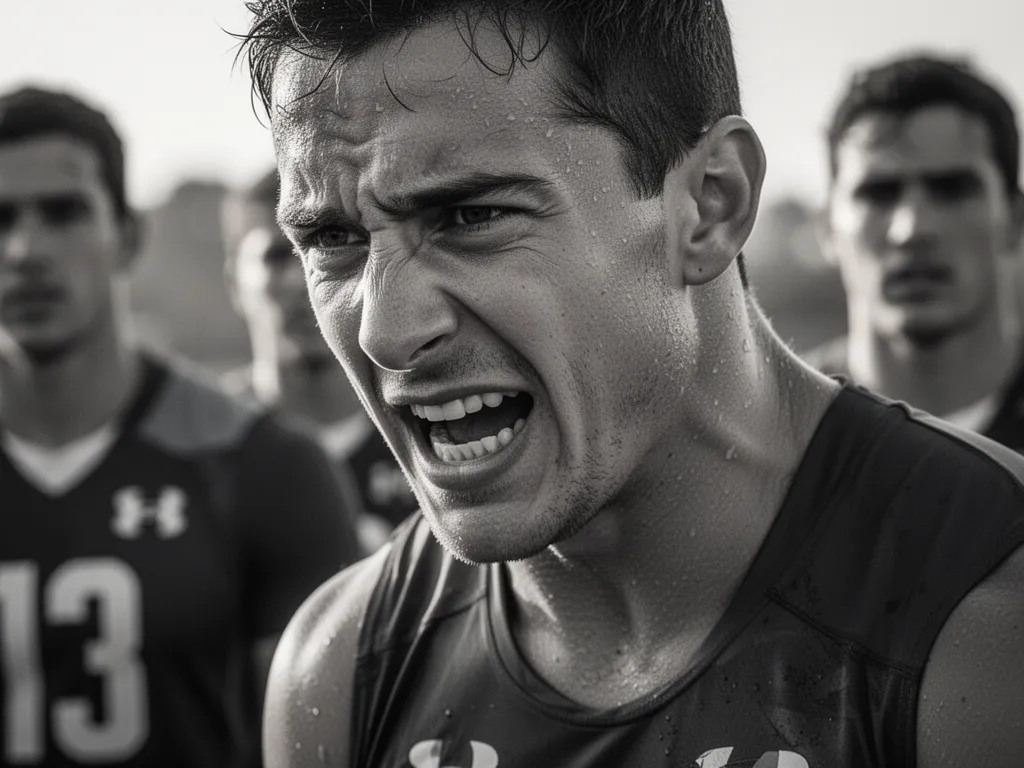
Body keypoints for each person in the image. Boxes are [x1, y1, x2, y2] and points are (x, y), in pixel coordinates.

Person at [240, 2, 1024, 765]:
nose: (385, 330)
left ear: (711, 205)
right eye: (332, 238)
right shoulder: (343, 665)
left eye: (469, 217)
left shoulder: (985, 625)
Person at [0, 86, 362, 768]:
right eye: (2, 219)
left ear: (126, 234)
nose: (25, 251)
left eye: (63, 212)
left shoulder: (263, 465)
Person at [806, 55, 1024, 451]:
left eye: (952, 189)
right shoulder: (773, 432)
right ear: (827, 229)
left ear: (1014, 218)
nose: (913, 229)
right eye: (879, 193)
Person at [221, 168, 418, 550]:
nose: (305, 279)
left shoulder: (434, 426)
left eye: (329, 243)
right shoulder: (206, 446)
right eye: (278, 256)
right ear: (234, 283)